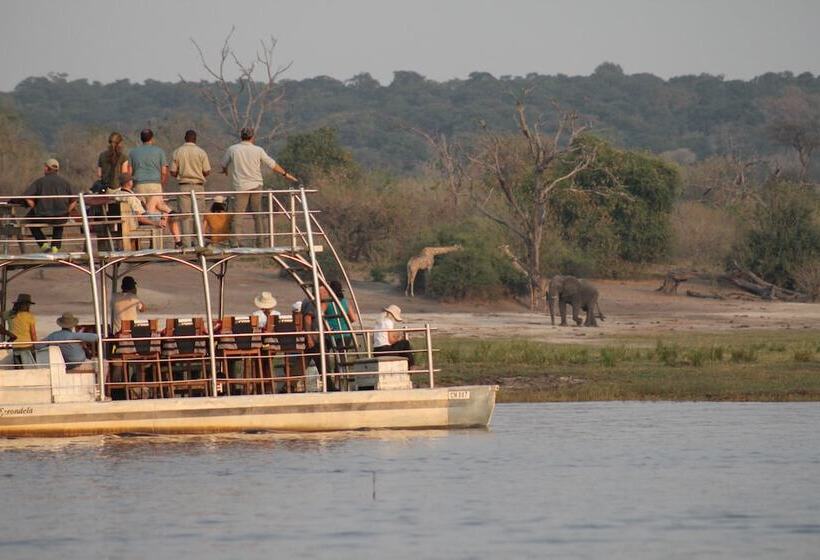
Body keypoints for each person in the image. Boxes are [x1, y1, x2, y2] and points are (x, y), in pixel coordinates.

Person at [220, 127, 298, 246]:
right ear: (252, 137)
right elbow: (272, 164)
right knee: (258, 214)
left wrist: (225, 171)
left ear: (241, 136)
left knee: (238, 215)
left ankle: (234, 242)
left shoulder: (233, 149)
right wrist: (285, 174)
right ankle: (260, 241)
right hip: (256, 185)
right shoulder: (258, 150)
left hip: (240, 186)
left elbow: (223, 164)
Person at [23, 158, 76, 253]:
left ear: (47, 168)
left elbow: (27, 197)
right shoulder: (65, 182)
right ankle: (55, 248)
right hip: (60, 217)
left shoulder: (39, 182)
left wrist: (34, 207)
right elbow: (74, 201)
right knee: (59, 223)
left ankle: (44, 245)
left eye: (45, 167)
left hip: (43, 215)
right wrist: (67, 211)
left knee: (31, 223)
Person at [117, 174, 182, 249]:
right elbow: (139, 218)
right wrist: (155, 223)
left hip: (131, 218)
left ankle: (172, 214)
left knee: (158, 203)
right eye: (132, 181)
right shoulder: (130, 198)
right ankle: (178, 240)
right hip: (140, 220)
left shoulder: (119, 194)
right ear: (129, 183)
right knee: (166, 213)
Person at [170, 130, 211, 247]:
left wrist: (181, 171)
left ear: (185, 138)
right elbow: (207, 171)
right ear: (195, 139)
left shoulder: (177, 152)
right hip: (198, 186)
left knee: (185, 216)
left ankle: (187, 244)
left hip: (183, 187)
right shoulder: (201, 152)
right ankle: (199, 243)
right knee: (199, 215)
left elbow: (173, 171)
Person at [128, 128, 168, 197]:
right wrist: (161, 184)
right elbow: (164, 172)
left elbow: (129, 172)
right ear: (152, 138)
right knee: (155, 207)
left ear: (141, 139)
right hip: (155, 184)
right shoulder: (160, 152)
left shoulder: (132, 153)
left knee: (141, 207)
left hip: (139, 185)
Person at [4, 294, 37, 366]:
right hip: (27, 346)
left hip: (15, 345)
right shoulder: (29, 316)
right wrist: (36, 346)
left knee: (18, 367)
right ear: (28, 305)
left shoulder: (9, 314)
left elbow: (2, 315)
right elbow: (33, 334)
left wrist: (13, 310)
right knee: (31, 367)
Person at [326, 279, 358, 349]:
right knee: (342, 357)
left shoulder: (327, 302)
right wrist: (343, 322)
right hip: (346, 333)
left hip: (331, 333)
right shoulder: (345, 302)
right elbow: (353, 318)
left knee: (324, 356)